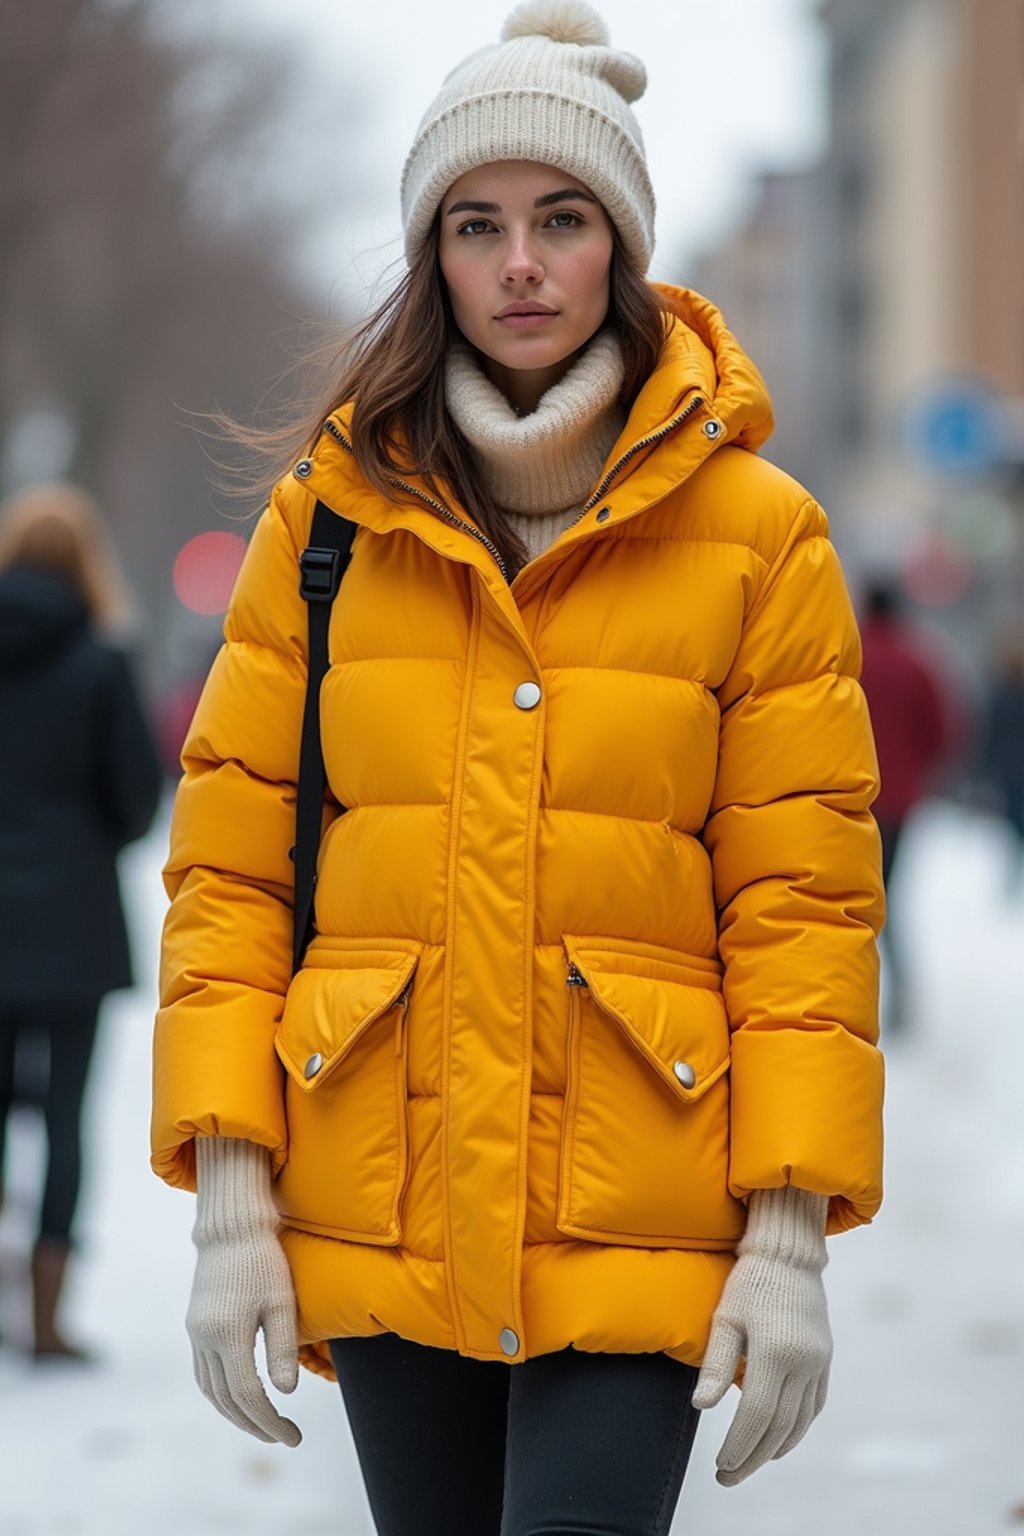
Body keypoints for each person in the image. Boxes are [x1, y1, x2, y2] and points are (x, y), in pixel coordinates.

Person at [151, 4, 885, 1529]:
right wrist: (232, 1207)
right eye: (477, 227)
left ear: (620, 241)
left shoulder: (761, 536)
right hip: (385, 1182)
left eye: (562, 219)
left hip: (640, 1191)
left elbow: (802, 909)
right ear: (434, 258)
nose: (523, 263)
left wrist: (790, 1235)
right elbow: (231, 869)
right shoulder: (329, 524)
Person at [0, 481, 162, 1359]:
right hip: (73, 920)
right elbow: (137, 799)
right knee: (65, 1115)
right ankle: (47, 1317)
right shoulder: (102, 662)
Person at [858, 577, 954, 1029]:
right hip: (897, 801)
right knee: (886, 897)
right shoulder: (916, 661)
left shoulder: (846, 653)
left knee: (844, 899)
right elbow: (941, 730)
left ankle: (855, 993)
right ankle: (898, 996)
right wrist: (918, 772)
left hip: (845, 797)